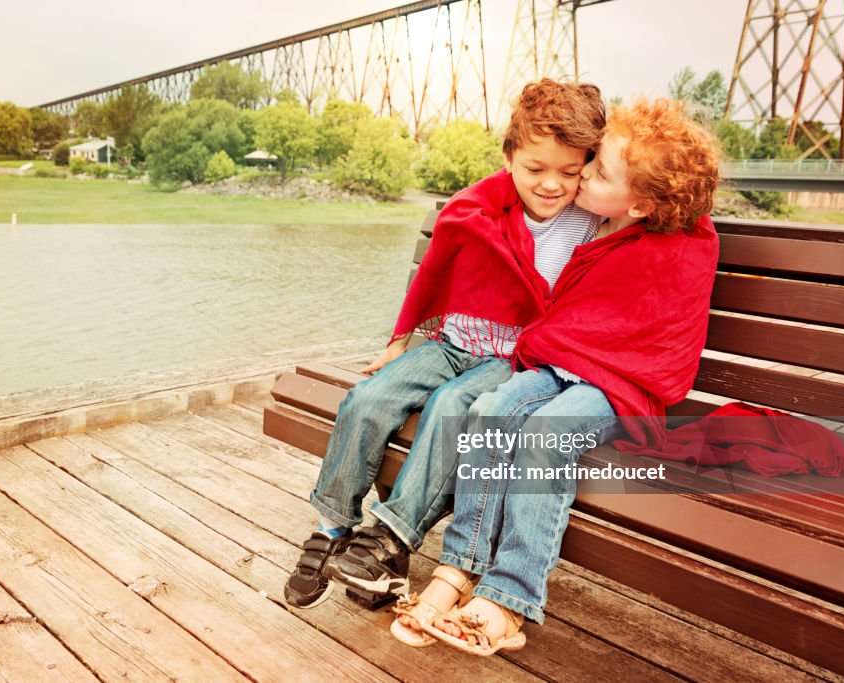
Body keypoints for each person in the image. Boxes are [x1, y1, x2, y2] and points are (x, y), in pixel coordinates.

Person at [391, 98, 721, 654]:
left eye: (597, 170)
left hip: (619, 389)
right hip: (562, 364)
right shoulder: (601, 222)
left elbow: (657, 333)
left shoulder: (677, 244)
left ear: (642, 202)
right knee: (489, 411)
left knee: (545, 433)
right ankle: (460, 566)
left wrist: (670, 177)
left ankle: (510, 597)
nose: (584, 173)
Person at [283, 79, 607, 609]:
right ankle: (332, 524)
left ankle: (391, 541)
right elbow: (434, 277)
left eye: (569, 173)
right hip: (451, 342)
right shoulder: (479, 207)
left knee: (449, 406)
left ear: (588, 167)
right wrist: (400, 341)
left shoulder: (591, 223)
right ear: (509, 157)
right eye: (534, 169)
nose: (551, 185)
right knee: (369, 399)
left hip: (512, 360)